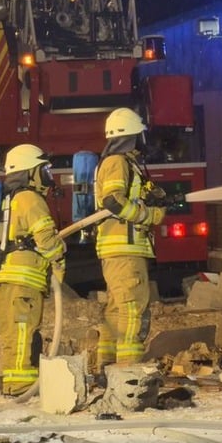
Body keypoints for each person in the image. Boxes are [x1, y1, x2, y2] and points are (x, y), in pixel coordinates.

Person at [0, 144, 66, 396]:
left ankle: (15, 384)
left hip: (5, 277)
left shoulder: (8, 198)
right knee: (23, 332)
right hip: (23, 279)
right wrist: (60, 256)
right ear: (29, 171)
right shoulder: (29, 198)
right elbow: (46, 238)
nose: (47, 173)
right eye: (43, 168)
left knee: (14, 333)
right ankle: (22, 386)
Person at [93, 107, 166, 369]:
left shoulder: (122, 163)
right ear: (131, 135)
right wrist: (148, 215)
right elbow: (113, 201)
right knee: (132, 308)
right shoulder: (117, 163)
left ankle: (108, 365)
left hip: (120, 251)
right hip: (125, 249)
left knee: (117, 308)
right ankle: (128, 369)